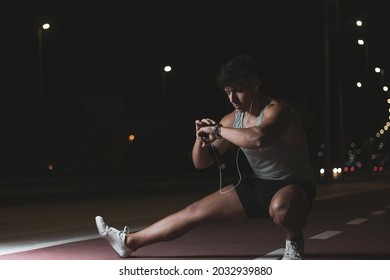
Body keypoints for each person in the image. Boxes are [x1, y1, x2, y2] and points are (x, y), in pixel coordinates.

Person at [95, 54, 316, 260]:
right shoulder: (232, 119)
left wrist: (218, 130)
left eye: (239, 90)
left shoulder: (278, 110)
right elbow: (201, 163)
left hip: (293, 185)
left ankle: (294, 241)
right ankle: (129, 242)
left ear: (255, 85)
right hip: (257, 185)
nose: (232, 98)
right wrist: (201, 138)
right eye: (228, 91)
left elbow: (258, 138)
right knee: (194, 211)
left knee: (281, 208)